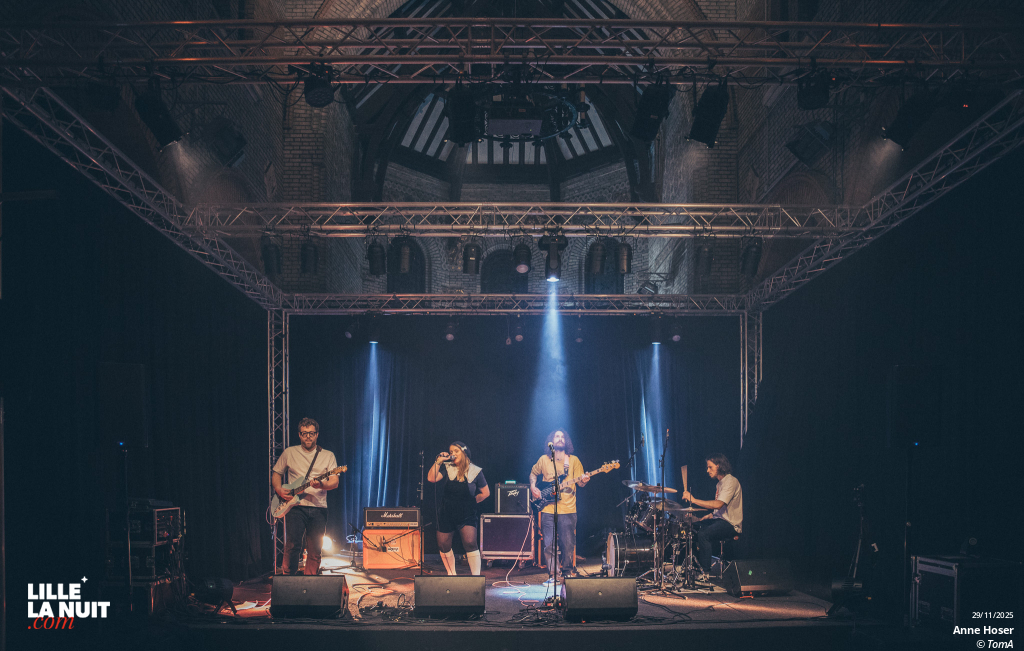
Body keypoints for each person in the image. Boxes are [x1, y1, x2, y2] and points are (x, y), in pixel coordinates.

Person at [271, 418, 340, 575]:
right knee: (292, 546)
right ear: (299, 435)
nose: (308, 437)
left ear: (317, 435)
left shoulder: (328, 455)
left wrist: (321, 485)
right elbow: (276, 473)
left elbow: (334, 481)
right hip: (295, 507)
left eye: (311, 433)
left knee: (315, 549)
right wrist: (279, 489)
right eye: (304, 433)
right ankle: (289, 583)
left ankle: (310, 585)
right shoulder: (290, 452)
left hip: (318, 508)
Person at [529, 429, 589, 583]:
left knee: (568, 544)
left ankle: (568, 573)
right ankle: (553, 576)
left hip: (568, 509)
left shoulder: (573, 460)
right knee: (548, 545)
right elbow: (533, 473)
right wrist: (533, 486)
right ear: (552, 441)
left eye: (562, 436)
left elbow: (581, 483)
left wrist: (585, 479)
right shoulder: (544, 459)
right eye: (557, 436)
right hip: (548, 509)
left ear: (566, 441)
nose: (560, 438)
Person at [427, 441, 490, 576]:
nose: (453, 454)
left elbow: (486, 493)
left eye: (456, 451)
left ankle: (476, 577)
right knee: (443, 544)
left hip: (466, 513)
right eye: (451, 452)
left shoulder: (475, 471)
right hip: (447, 512)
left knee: (470, 542)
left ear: (464, 453)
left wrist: (472, 502)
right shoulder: (447, 467)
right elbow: (431, 478)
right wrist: (438, 461)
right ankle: (452, 575)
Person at [681, 453, 743, 577]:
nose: (707, 470)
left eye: (710, 467)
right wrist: (710, 516)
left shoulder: (730, 481)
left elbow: (718, 504)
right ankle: (693, 566)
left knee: (704, 534)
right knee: (690, 527)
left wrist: (693, 499)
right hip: (720, 520)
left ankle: (705, 573)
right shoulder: (720, 483)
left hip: (731, 524)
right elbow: (721, 508)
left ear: (719, 465)